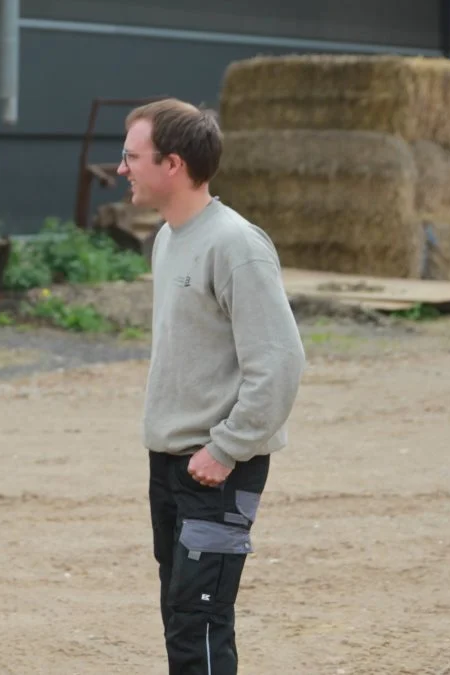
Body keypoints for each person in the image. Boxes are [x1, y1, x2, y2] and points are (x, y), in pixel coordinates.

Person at [119, 98, 306, 673]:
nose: (122, 168)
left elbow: (280, 362)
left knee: (199, 619)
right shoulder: (170, 239)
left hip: (218, 468)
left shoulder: (237, 246)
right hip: (172, 462)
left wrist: (224, 449)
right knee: (183, 615)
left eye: (132, 156)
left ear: (171, 164)